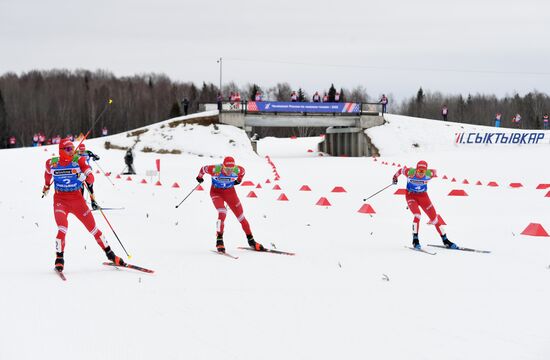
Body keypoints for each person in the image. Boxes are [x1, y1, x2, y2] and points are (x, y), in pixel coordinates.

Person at [42, 138, 125, 272]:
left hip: (77, 200)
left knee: (93, 229)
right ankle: (59, 258)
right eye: (68, 149)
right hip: (60, 200)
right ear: (61, 151)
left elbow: (91, 177)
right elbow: (47, 175)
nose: (71, 152)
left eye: (72, 149)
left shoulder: (78, 161)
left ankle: (111, 255)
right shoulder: (51, 163)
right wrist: (46, 186)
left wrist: (84, 177)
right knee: (62, 228)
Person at [196, 156, 265, 253]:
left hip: (230, 193)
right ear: (222, 166)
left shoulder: (237, 169)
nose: (229, 171)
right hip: (216, 193)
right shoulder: (215, 169)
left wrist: (239, 180)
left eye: (231, 169)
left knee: (241, 217)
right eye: (227, 168)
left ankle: (251, 241)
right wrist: (199, 177)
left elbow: (243, 172)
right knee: (222, 212)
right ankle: (219, 239)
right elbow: (203, 169)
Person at [392, 160, 457, 250]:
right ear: (416, 170)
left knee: (434, 219)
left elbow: (435, 172)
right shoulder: (410, 172)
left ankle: (445, 240)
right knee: (417, 215)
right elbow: (400, 170)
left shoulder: (429, 173)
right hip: (411, 196)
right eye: (419, 171)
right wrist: (395, 177)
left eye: (423, 171)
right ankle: (415, 240)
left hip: (423, 196)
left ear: (426, 171)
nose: (421, 173)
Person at [77, 143, 100, 210]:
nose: (82, 152)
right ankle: (81, 205)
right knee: (81, 189)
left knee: (90, 187)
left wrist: (95, 158)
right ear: (79, 149)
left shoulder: (88, 152)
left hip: (87, 172)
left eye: (83, 150)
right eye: (81, 150)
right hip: (79, 173)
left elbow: (97, 157)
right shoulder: (75, 153)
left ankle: (93, 203)